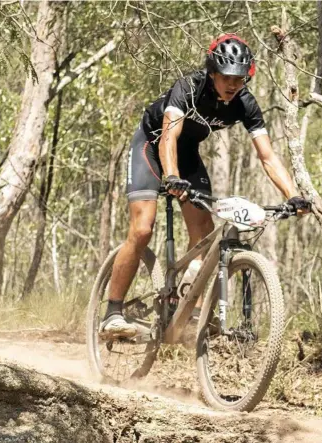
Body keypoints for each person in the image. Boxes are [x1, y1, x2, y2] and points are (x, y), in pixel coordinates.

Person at [100, 34, 310, 338]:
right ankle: (112, 313)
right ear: (212, 72)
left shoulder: (245, 104)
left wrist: (292, 196)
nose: (232, 85)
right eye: (226, 77)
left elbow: (266, 155)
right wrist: (171, 176)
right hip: (151, 145)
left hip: (187, 156)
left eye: (239, 79)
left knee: (203, 236)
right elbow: (169, 136)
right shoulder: (188, 87)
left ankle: (187, 312)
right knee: (143, 228)